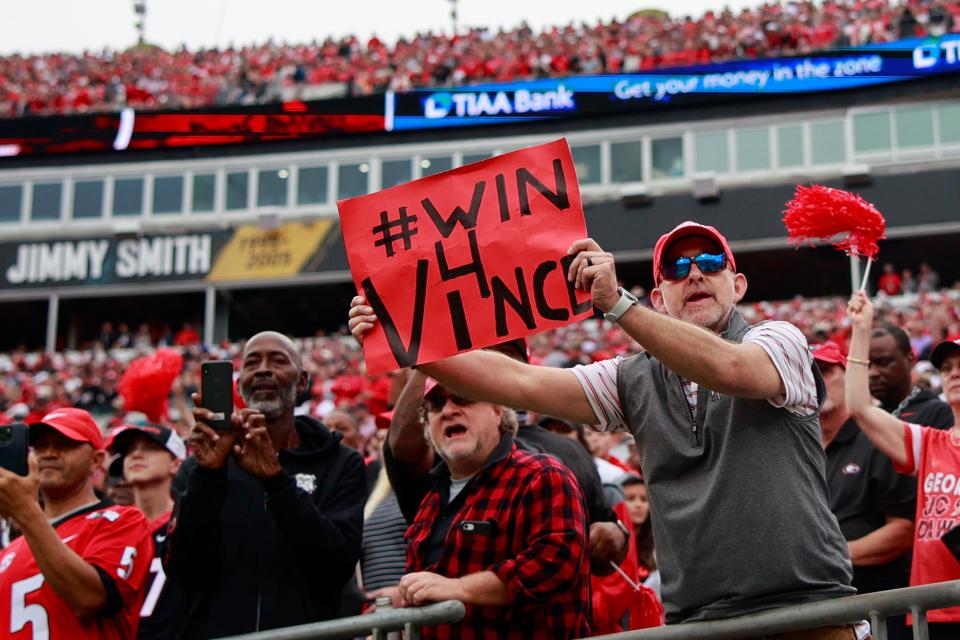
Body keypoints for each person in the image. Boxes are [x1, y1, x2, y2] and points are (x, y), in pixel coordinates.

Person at [349, 221, 859, 634]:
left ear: (738, 283)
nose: (695, 273)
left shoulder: (781, 340)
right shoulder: (631, 377)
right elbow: (520, 382)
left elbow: (732, 370)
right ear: (661, 296)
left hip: (806, 612)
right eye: (678, 268)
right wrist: (405, 342)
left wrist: (618, 305)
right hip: (700, 621)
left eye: (710, 262)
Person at [165, 331, 366, 637]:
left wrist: (276, 482)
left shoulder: (341, 463)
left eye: (278, 360)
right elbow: (183, 571)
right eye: (252, 363)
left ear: (301, 382)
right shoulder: (201, 466)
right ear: (239, 385)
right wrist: (209, 477)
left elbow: (336, 566)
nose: (262, 369)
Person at [383, 340, 629, 577]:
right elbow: (403, 447)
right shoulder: (444, 461)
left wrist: (614, 536)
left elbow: (584, 544)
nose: (493, 361)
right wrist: (431, 344)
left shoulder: (560, 460)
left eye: (505, 352)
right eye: (438, 404)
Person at [397, 379, 590, 639]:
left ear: (498, 411)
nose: (448, 410)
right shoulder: (430, 500)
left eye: (463, 396)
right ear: (428, 428)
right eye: (436, 404)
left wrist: (458, 589)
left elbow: (554, 566)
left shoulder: (541, 475)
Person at [846, 294, 960, 639]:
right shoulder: (931, 442)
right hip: (928, 609)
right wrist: (861, 328)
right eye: (948, 368)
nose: (954, 374)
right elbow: (860, 407)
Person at [0, 408, 153, 639]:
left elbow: (88, 598)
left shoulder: (122, 520)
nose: (49, 453)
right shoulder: (10, 551)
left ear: (96, 460)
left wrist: (26, 512)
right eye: (40, 446)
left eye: (64, 444)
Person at [813, 342, 915, 640]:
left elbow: (902, 530)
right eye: (809, 373)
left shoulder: (877, 438)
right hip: (826, 609)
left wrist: (832, 558)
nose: (817, 380)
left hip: (880, 606)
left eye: (825, 371)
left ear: (848, 375)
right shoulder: (801, 448)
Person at [107, 422, 189, 640]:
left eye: (150, 448)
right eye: (130, 450)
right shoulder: (108, 529)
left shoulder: (190, 523)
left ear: (176, 463)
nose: (136, 454)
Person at [869, 324, 954, 430]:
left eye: (883, 362)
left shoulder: (938, 413)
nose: (872, 373)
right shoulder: (866, 418)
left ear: (910, 360)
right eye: (867, 365)